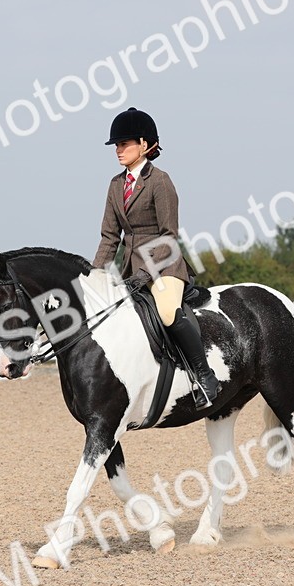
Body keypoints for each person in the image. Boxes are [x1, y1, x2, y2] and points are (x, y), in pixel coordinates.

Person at [91, 107, 219, 408]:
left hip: (164, 266)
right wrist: (94, 276)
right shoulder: (114, 185)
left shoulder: (160, 181)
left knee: (166, 313)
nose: (119, 150)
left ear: (145, 144)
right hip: (130, 269)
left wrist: (145, 274)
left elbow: (168, 236)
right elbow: (110, 237)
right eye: (117, 146)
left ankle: (205, 376)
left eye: (124, 144)